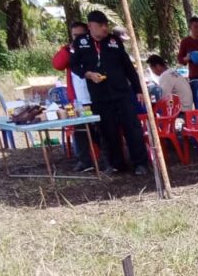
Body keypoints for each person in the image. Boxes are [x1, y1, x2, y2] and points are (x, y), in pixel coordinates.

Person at [71, 10, 149, 176]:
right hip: (100, 96)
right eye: (101, 25)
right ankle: (116, 165)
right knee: (108, 131)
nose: (105, 29)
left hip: (122, 93)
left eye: (106, 25)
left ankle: (140, 163)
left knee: (132, 128)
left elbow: (128, 67)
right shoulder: (81, 43)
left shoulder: (114, 42)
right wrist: (89, 74)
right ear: (91, 26)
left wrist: (138, 89)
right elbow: (74, 65)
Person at [53, 21, 99, 172]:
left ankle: (106, 161)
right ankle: (85, 161)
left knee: (100, 131)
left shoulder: (94, 49)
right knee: (79, 131)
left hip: (96, 98)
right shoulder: (70, 51)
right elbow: (57, 64)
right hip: (78, 101)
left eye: (81, 35)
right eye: (75, 36)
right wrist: (68, 49)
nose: (78, 39)